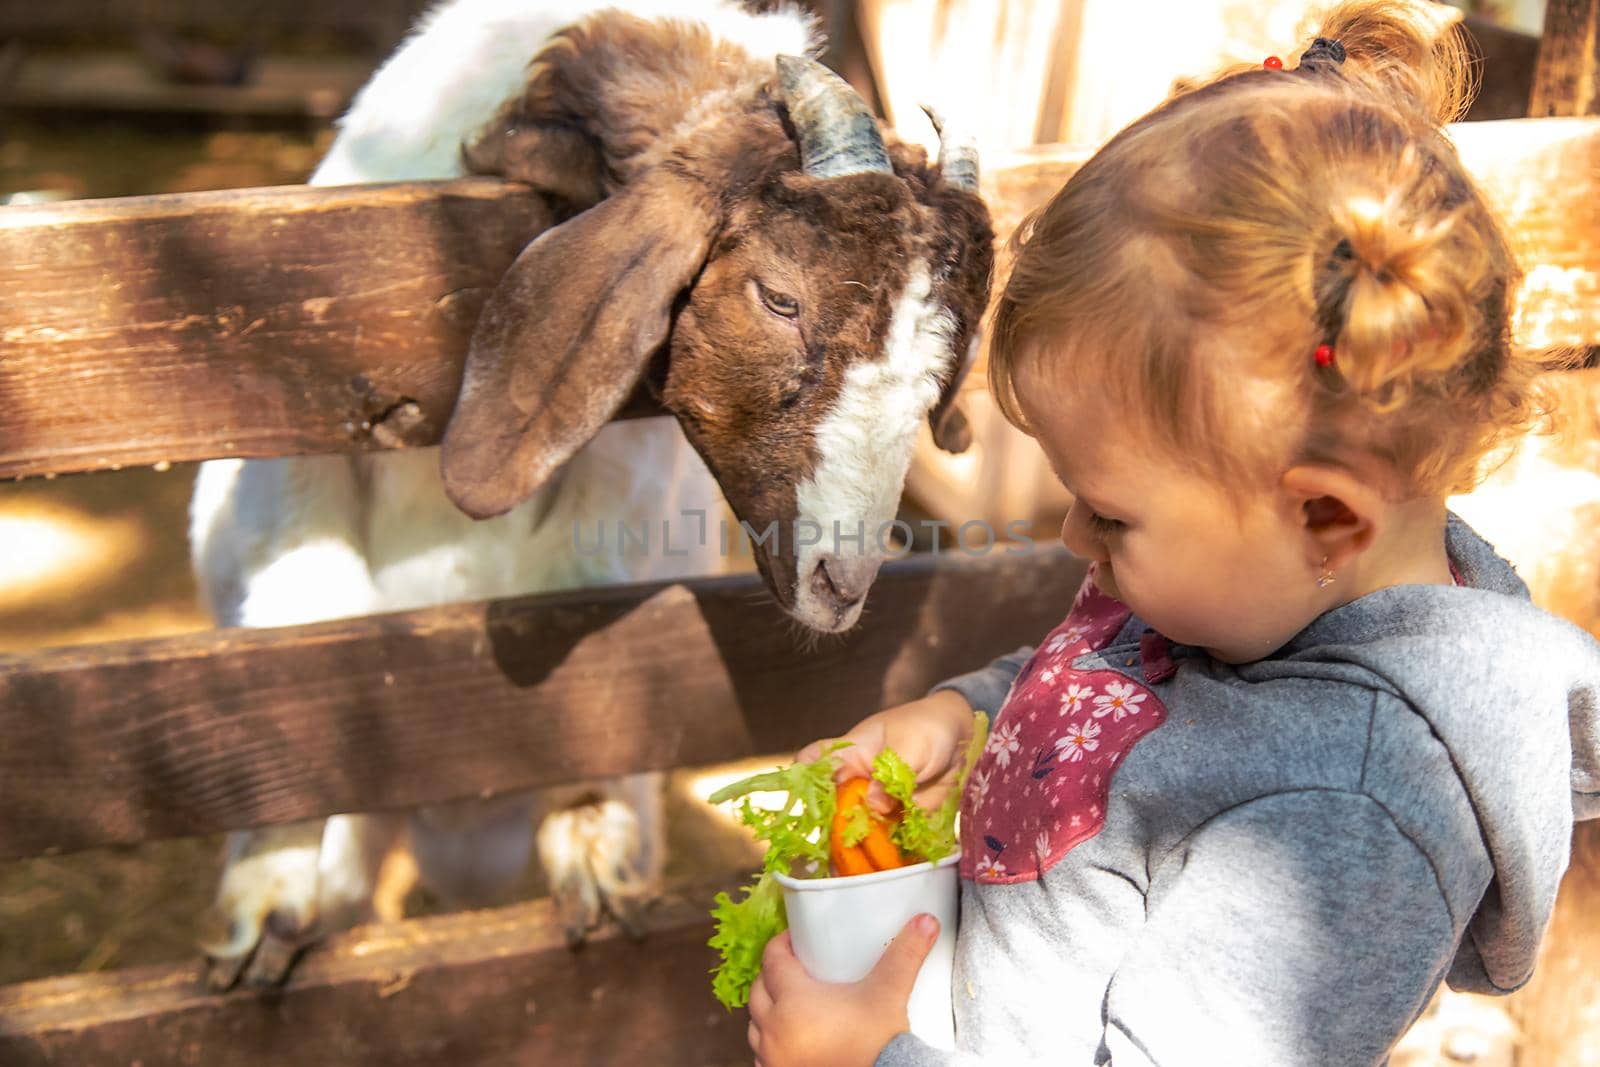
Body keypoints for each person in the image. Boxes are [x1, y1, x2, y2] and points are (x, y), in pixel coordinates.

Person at [743, 2, 1600, 1064]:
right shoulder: (1244, 588)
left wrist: (871, 1057)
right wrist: (962, 718)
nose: (1068, 535)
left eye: (1106, 510)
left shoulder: (1342, 817)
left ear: (1325, 513)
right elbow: (1113, 686)